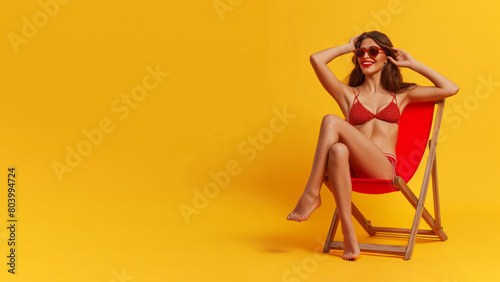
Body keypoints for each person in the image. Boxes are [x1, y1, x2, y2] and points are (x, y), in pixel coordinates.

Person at [286, 31, 459, 261]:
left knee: (330, 120)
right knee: (338, 150)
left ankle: (311, 194)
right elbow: (316, 60)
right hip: (351, 170)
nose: (365, 56)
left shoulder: (401, 95)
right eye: (360, 52)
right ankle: (349, 234)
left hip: (384, 169)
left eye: (373, 51)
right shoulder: (348, 95)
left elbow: (450, 88)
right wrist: (347, 47)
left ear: (386, 56)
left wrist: (413, 64)